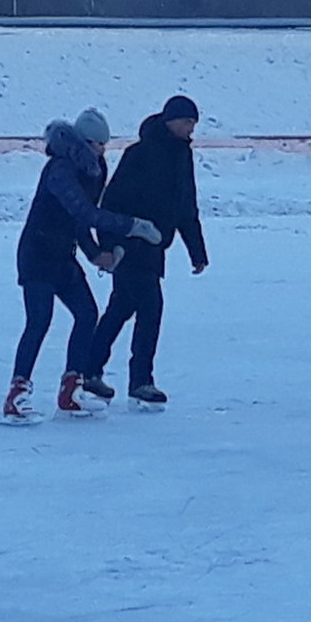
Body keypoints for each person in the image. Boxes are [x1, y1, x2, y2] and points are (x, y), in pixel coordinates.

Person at [3, 108, 161, 425]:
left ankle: (70, 391)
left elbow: (78, 221)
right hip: (37, 254)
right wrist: (132, 225)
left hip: (63, 255)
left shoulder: (93, 168)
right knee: (39, 321)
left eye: (105, 145)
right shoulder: (60, 169)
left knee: (87, 313)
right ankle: (16, 395)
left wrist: (93, 253)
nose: (104, 151)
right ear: (83, 141)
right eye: (99, 144)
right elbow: (84, 212)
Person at [85, 95, 209, 409]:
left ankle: (89, 370)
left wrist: (196, 250)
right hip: (130, 245)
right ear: (169, 120)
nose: (190, 127)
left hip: (156, 247)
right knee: (150, 308)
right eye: (185, 121)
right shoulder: (139, 154)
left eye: (193, 122)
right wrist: (109, 245)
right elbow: (111, 202)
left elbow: (185, 205)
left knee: (120, 309)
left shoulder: (183, 156)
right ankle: (141, 380)